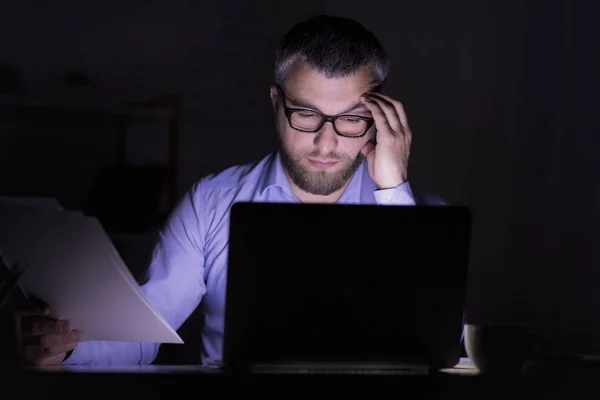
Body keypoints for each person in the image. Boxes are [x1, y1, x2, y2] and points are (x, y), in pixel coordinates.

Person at [19, 14, 446, 366]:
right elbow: (142, 334)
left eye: (351, 119)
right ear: (276, 104)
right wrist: (65, 349)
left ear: (383, 118)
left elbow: (429, 350)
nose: (326, 143)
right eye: (305, 114)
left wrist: (394, 192)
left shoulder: (421, 214)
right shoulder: (210, 202)